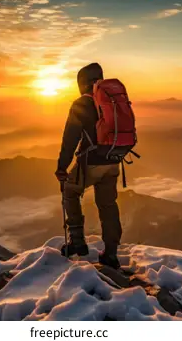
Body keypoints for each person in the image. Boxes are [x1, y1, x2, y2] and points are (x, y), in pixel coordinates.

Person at [55, 62, 122, 269]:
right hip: (113, 161)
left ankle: (77, 242)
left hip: (90, 163)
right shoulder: (112, 101)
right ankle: (110, 253)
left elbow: (70, 140)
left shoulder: (81, 104)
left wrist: (62, 167)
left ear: (81, 83)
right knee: (108, 206)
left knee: (70, 191)